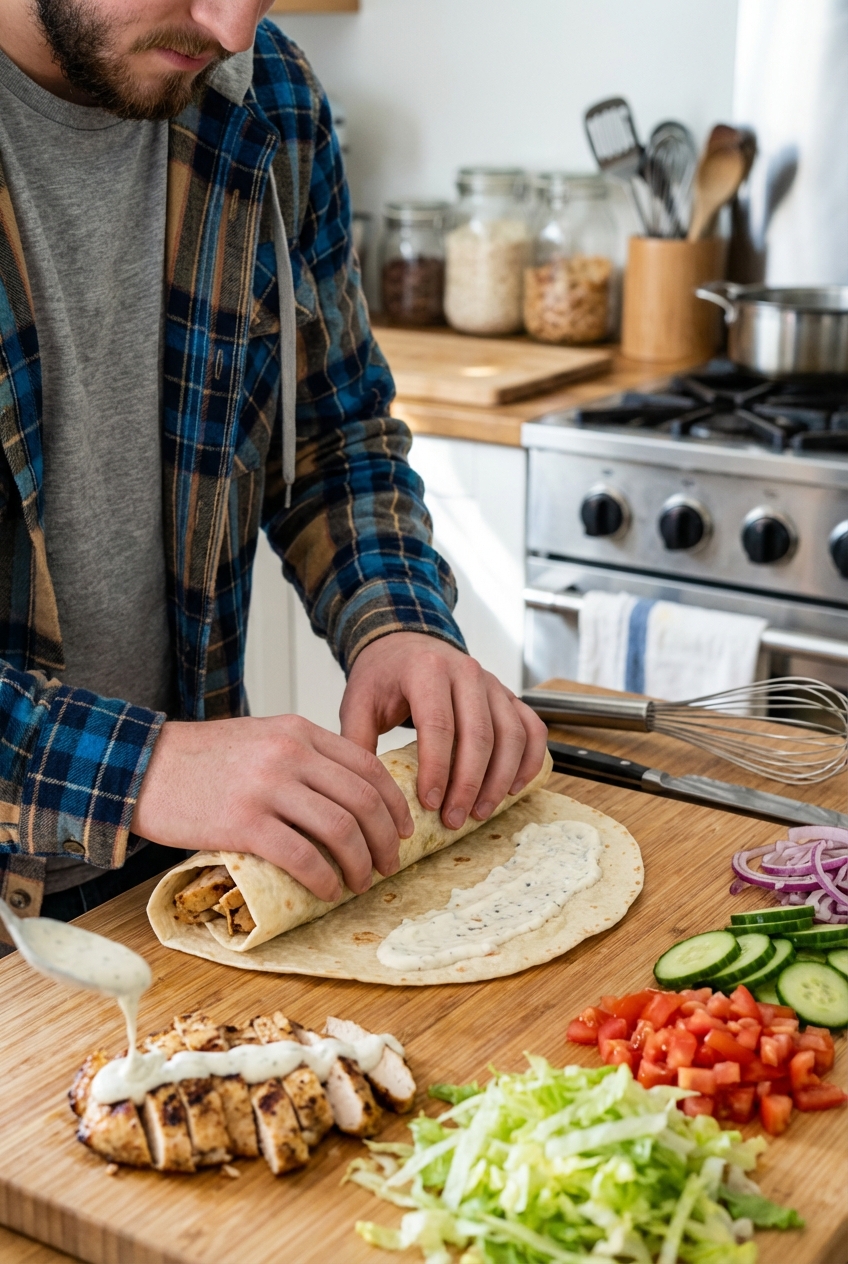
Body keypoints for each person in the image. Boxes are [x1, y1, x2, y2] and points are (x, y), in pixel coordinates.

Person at [0, 0, 547, 941]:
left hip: (178, 885)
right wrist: (142, 769)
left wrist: (398, 623)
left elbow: (332, 432)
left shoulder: (269, 100)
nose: (233, 26)